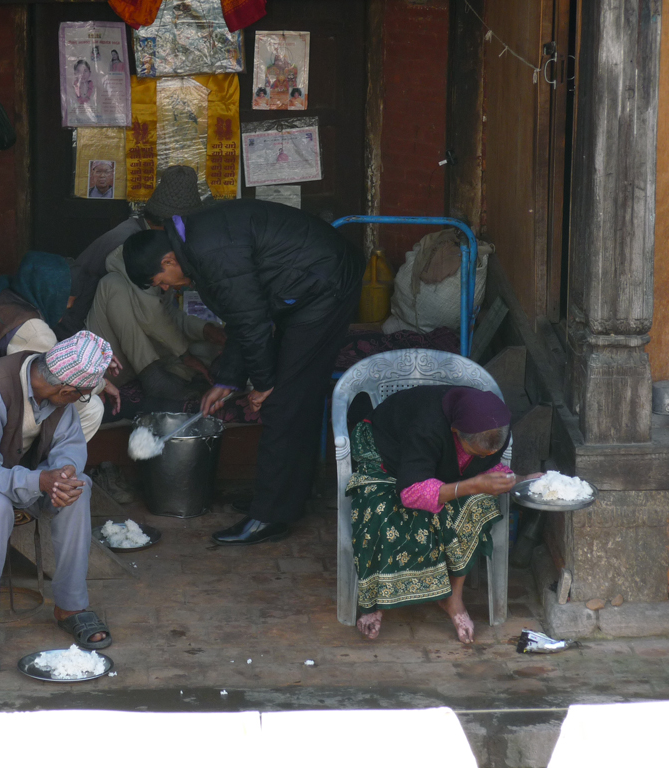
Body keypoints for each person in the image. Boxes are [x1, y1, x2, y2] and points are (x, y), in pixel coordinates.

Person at [123, 198, 364, 545]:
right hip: (305, 284)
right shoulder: (197, 246)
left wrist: (264, 383)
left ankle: (270, 517)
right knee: (291, 397)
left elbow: (252, 323)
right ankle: (282, 499)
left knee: (284, 401)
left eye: (160, 281)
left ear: (168, 260)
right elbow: (242, 316)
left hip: (325, 284)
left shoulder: (210, 252)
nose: (165, 288)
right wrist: (228, 380)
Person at [0, 332, 115, 674]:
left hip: (24, 481)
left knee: (80, 488)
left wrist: (64, 473)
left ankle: (70, 607)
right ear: (66, 390)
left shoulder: (58, 394)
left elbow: (70, 444)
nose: (80, 400)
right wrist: (39, 481)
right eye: (82, 395)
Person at [347, 386, 535, 644]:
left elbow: (489, 466)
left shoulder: (497, 427)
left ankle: (452, 598)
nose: (483, 458)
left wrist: (521, 480)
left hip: (439, 467)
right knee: (383, 511)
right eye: (475, 452)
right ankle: (375, 600)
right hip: (388, 454)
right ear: (455, 432)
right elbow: (411, 492)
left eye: (487, 454)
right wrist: (472, 485)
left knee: (479, 505)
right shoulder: (427, 426)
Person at [0, 252, 120, 441]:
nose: (62, 316)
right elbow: (64, 382)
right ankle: (46, 468)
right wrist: (100, 382)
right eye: (63, 305)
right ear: (50, 294)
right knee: (91, 407)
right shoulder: (32, 330)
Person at [57, 165, 205, 340]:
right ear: (172, 226)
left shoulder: (144, 235)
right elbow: (151, 315)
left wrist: (204, 329)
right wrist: (184, 354)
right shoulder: (130, 245)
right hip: (78, 329)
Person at [86, 243, 225, 404]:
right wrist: (185, 355)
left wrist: (205, 330)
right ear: (169, 261)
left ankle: (177, 378)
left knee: (209, 348)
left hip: (143, 365)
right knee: (111, 283)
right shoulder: (142, 270)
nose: (165, 287)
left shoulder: (160, 273)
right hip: (112, 366)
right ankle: (154, 379)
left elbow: (166, 315)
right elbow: (152, 319)